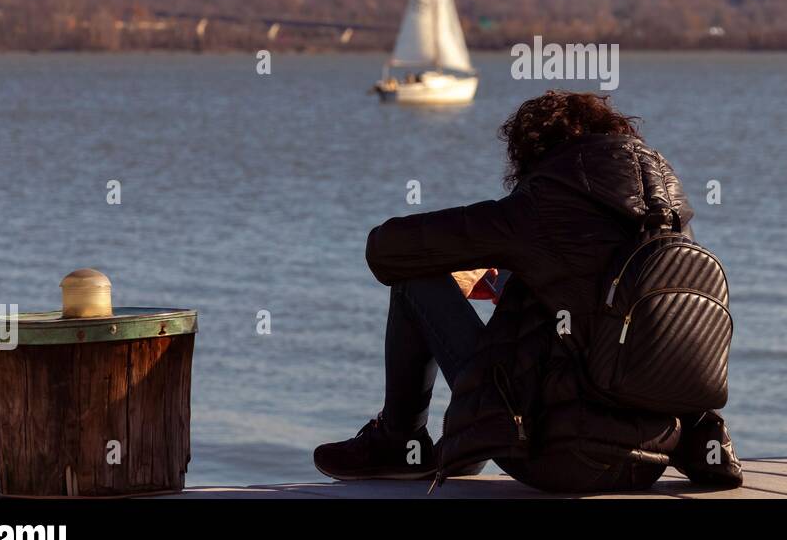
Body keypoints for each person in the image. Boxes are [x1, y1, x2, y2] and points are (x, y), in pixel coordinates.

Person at [314, 90, 741, 492]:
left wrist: (467, 258)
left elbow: (388, 251)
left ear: (534, 152)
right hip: (650, 459)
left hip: (559, 459)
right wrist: (509, 274)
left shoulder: (548, 198)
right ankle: (459, 448)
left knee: (415, 280)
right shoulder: (670, 214)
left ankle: (400, 442)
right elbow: (595, 307)